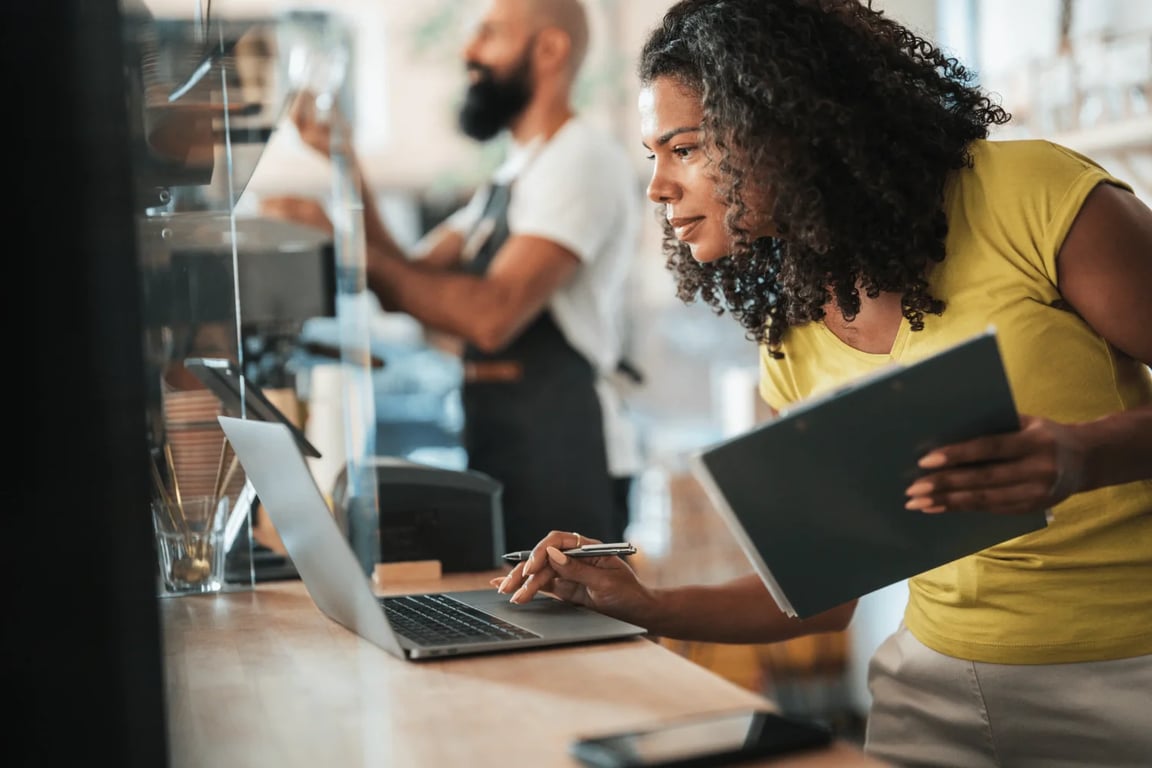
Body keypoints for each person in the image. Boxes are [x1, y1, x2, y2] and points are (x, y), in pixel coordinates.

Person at [493, 1, 1152, 766]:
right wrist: (646, 602)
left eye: (685, 148)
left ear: (788, 123)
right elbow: (823, 596)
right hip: (931, 694)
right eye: (652, 156)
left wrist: (1084, 455)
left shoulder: (1032, 198)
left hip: (1128, 682)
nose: (659, 189)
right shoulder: (792, 335)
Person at [263, 0, 643, 550]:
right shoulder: (515, 173)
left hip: (568, 454)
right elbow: (411, 280)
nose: (467, 50)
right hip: (506, 443)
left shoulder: (579, 159)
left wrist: (345, 244)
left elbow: (490, 317)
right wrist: (346, 165)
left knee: (574, 630)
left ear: (551, 49)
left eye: (489, 34)